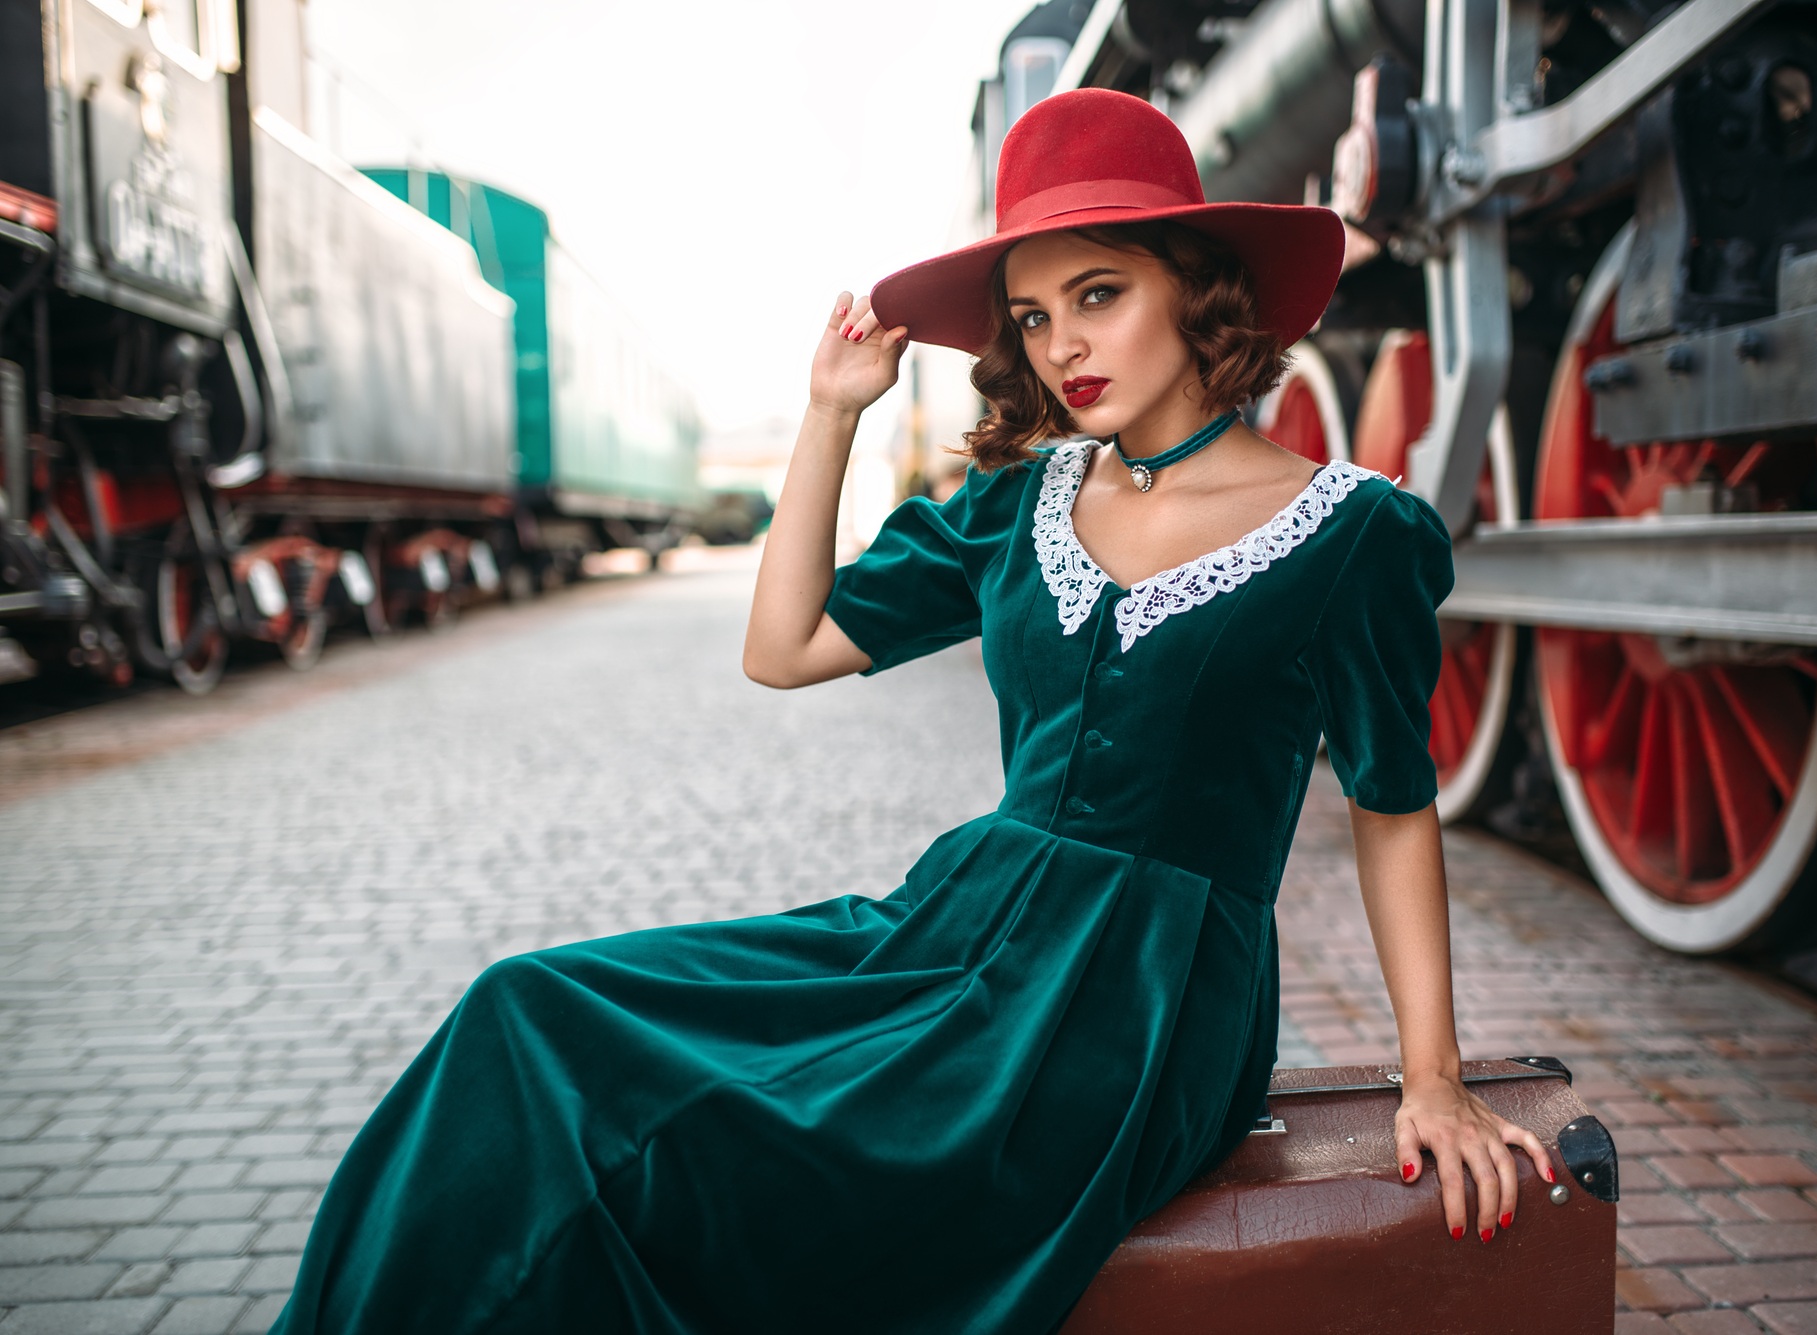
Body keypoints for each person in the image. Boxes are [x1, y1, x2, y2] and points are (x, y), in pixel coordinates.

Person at [269, 88, 1554, 1335]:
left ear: (1194, 284)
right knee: (530, 1015)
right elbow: (780, 650)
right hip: (946, 939)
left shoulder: (1352, 532)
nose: (1062, 348)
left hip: (1139, 1009)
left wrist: (1429, 1081)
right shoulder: (1015, 509)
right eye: (1034, 316)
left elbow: (1392, 806)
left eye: (1098, 295)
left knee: (716, 1139)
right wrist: (830, 414)